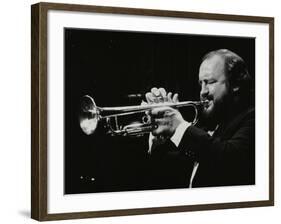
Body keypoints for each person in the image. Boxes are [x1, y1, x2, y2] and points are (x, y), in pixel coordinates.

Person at [145, 49, 255, 188]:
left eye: (210, 82)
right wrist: (161, 139)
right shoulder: (206, 124)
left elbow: (230, 158)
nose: (203, 91)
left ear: (235, 84)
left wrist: (178, 126)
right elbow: (169, 175)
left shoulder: (255, 117)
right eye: (200, 84)